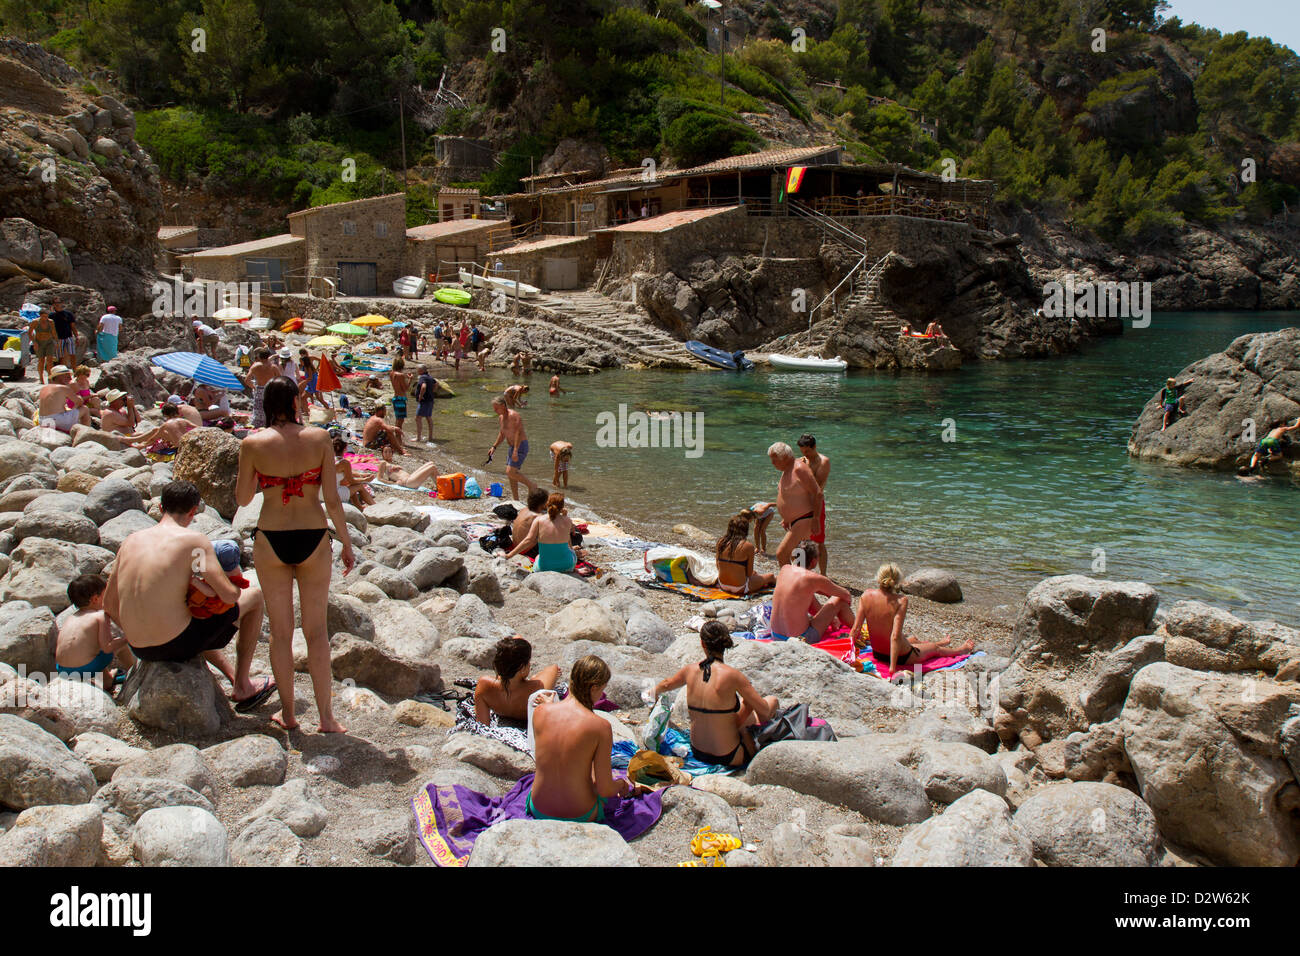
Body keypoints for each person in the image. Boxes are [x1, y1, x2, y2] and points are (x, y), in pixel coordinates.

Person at [236, 377, 355, 733]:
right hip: (314, 537)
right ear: (294, 402)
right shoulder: (319, 438)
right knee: (316, 632)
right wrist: (347, 543)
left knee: (281, 633)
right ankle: (326, 718)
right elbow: (332, 499)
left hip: (271, 538)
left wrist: (267, 476)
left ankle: (288, 715)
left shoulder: (252, 443)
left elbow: (243, 499)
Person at [103, 481, 271, 710]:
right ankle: (243, 686)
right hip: (175, 644)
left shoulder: (130, 542)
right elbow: (230, 596)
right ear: (193, 512)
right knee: (254, 596)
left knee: (189, 615)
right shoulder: (194, 541)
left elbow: (109, 604)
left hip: (139, 647)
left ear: (161, 508)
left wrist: (140, 632)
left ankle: (231, 675)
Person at [528, 655, 648, 821]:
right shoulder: (600, 727)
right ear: (593, 688)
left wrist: (549, 704)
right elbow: (604, 789)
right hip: (580, 814)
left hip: (539, 808)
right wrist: (622, 785)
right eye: (601, 690)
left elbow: (559, 744)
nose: (601, 695)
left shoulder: (541, 712)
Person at [652, 621, 779, 767]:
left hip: (698, 751)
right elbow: (764, 711)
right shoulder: (733, 675)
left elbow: (667, 684)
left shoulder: (690, 670)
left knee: (738, 711)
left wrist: (653, 692)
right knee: (770, 701)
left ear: (703, 644)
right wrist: (749, 708)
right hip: (728, 756)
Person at [850, 563, 973, 671]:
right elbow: (895, 636)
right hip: (901, 657)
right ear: (897, 581)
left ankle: (940, 642)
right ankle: (960, 650)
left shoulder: (866, 595)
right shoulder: (900, 601)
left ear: (879, 578)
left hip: (877, 653)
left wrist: (848, 654)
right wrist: (892, 668)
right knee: (936, 649)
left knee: (913, 639)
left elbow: (855, 629)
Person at [56, 574, 135, 692]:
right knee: (118, 643)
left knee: (93, 647)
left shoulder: (70, 618)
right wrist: (127, 638)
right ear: (95, 599)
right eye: (105, 594)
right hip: (85, 668)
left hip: (62, 669)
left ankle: (107, 680)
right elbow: (107, 647)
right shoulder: (100, 616)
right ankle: (134, 673)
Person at [769, 544, 853, 642]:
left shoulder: (785, 569)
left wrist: (831, 619)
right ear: (813, 561)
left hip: (775, 636)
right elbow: (846, 595)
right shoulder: (813, 578)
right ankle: (857, 631)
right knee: (839, 599)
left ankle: (835, 623)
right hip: (800, 639)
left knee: (806, 596)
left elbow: (811, 605)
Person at [474, 636, 560, 727]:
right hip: (525, 710)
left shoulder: (484, 685)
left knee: (515, 643)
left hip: (501, 703)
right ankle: (527, 676)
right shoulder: (536, 688)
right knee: (553, 669)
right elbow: (553, 669)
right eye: (528, 662)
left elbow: (482, 725)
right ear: (523, 668)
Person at [768, 441, 823, 566]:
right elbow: (790, 495)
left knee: (781, 554)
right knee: (798, 557)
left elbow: (818, 493)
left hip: (804, 519)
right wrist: (787, 518)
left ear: (785, 457)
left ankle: (788, 583)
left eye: (775, 460)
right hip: (795, 521)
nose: (772, 463)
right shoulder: (787, 469)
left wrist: (816, 519)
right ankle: (800, 582)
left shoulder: (799, 468)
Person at [506, 492, 575, 571]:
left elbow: (528, 540)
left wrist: (509, 555)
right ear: (562, 506)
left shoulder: (539, 519)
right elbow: (567, 534)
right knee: (571, 545)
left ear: (547, 504)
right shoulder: (568, 521)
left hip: (544, 566)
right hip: (567, 565)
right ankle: (574, 568)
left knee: (538, 557)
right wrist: (565, 516)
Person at [489, 395, 537, 500]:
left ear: (502, 405)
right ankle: (516, 499)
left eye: (496, 407)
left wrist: (515, 450)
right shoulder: (501, 418)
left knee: (510, 472)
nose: (494, 410)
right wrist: (494, 446)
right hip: (512, 447)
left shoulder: (514, 415)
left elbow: (518, 433)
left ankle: (532, 485)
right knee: (511, 475)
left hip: (520, 446)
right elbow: (502, 434)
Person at [715, 514, 775, 597]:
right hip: (740, 588)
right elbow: (749, 574)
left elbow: (718, 567)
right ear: (745, 530)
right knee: (770, 576)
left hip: (722, 584)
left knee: (755, 575)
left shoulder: (721, 542)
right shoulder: (748, 546)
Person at [797, 433, 831, 574]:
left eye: (808, 451)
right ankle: (799, 571)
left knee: (819, 541)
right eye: (803, 452)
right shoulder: (801, 461)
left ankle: (823, 574)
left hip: (816, 504)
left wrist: (804, 470)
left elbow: (817, 486)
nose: (806, 455)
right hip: (801, 503)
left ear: (814, 447)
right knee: (799, 539)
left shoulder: (824, 462)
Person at [123, 402, 195, 455]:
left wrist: (144, 445)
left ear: (165, 415)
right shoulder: (184, 421)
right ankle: (133, 441)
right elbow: (197, 428)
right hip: (186, 445)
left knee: (156, 433)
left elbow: (153, 438)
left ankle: (137, 445)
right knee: (156, 431)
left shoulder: (166, 425)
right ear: (177, 412)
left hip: (177, 449)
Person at [38, 365, 88, 433]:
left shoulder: (44, 388)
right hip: (57, 420)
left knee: (68, 411)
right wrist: (77, 393)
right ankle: (85, 433)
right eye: (68, 376)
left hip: (42, 420)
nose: (70, 379)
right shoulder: (63, 388)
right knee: (85, 409)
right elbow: (80, 402)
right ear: (60, 377)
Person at [333, 436, 375, 507]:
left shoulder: (331, 459)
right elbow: (351, 481)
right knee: (359, 486)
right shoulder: (344, 463)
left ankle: (359, 507)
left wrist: (361, 475)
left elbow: (348, 473)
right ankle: (375, 507)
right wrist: (365, 480)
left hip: (323, 491)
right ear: (346, 448)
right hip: (333, 494)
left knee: (350, 486)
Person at [511, 488, 550, 558]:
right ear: (543, 503)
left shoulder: (523, 510)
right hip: (526, 550)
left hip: (515, 545)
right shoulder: (538, 517)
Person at [244, 347, 278, 428]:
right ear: (268, 356)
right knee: (270, 407)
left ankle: (258, 425)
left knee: (259, 408)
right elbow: (280, 379)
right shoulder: (273, 367)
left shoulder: (255, 366)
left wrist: (253, 387)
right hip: (270, 389)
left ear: (259, 356)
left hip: (259, 389)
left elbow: (247, 380)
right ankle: (270, 424)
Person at [30, 308, 59, 383]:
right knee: (41, 360)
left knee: (50, 360)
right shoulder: (35, 322)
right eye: (43, 316)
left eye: (46, 316)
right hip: (39, 342)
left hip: (49, 342)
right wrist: (34, 343)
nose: (45, 318)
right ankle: (41, 377)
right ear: (40, 316)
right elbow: (29, 332)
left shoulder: (50, 322)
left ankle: (50, 377)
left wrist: (57, 342)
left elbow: (54, 332)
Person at [414, 364, 437, 446]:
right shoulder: (429, 377)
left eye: (418, 370)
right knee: (428, 417)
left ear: (421, 370)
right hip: (430, 400)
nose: (417, 371)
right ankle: (430, 437)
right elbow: (436, 384)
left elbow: (423, 387)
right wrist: (432, 392)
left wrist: (420, 396)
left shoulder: (422, 377)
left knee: (417, 418)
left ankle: (418, 437)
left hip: (424, 401)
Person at [50, 297, 78, 363]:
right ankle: (62, 370)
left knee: (72, 355)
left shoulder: (68, 314)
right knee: (60, 356)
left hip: (68, 336)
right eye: (55, 303)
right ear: (53, 304)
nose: (57, 304)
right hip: (58, 338)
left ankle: (75, 370)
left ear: (62, 303)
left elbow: (73, 326)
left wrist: (76, 336)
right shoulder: (51, 315)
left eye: (59, 302)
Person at [389, 356, 411, 434]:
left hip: (395, 397)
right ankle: (398, 439)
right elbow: (405, 389)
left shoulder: (391, 373)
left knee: (398, 419)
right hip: (401, 399)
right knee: (400, 420)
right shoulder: (400, 375)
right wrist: (410, 380)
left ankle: (396, 437)